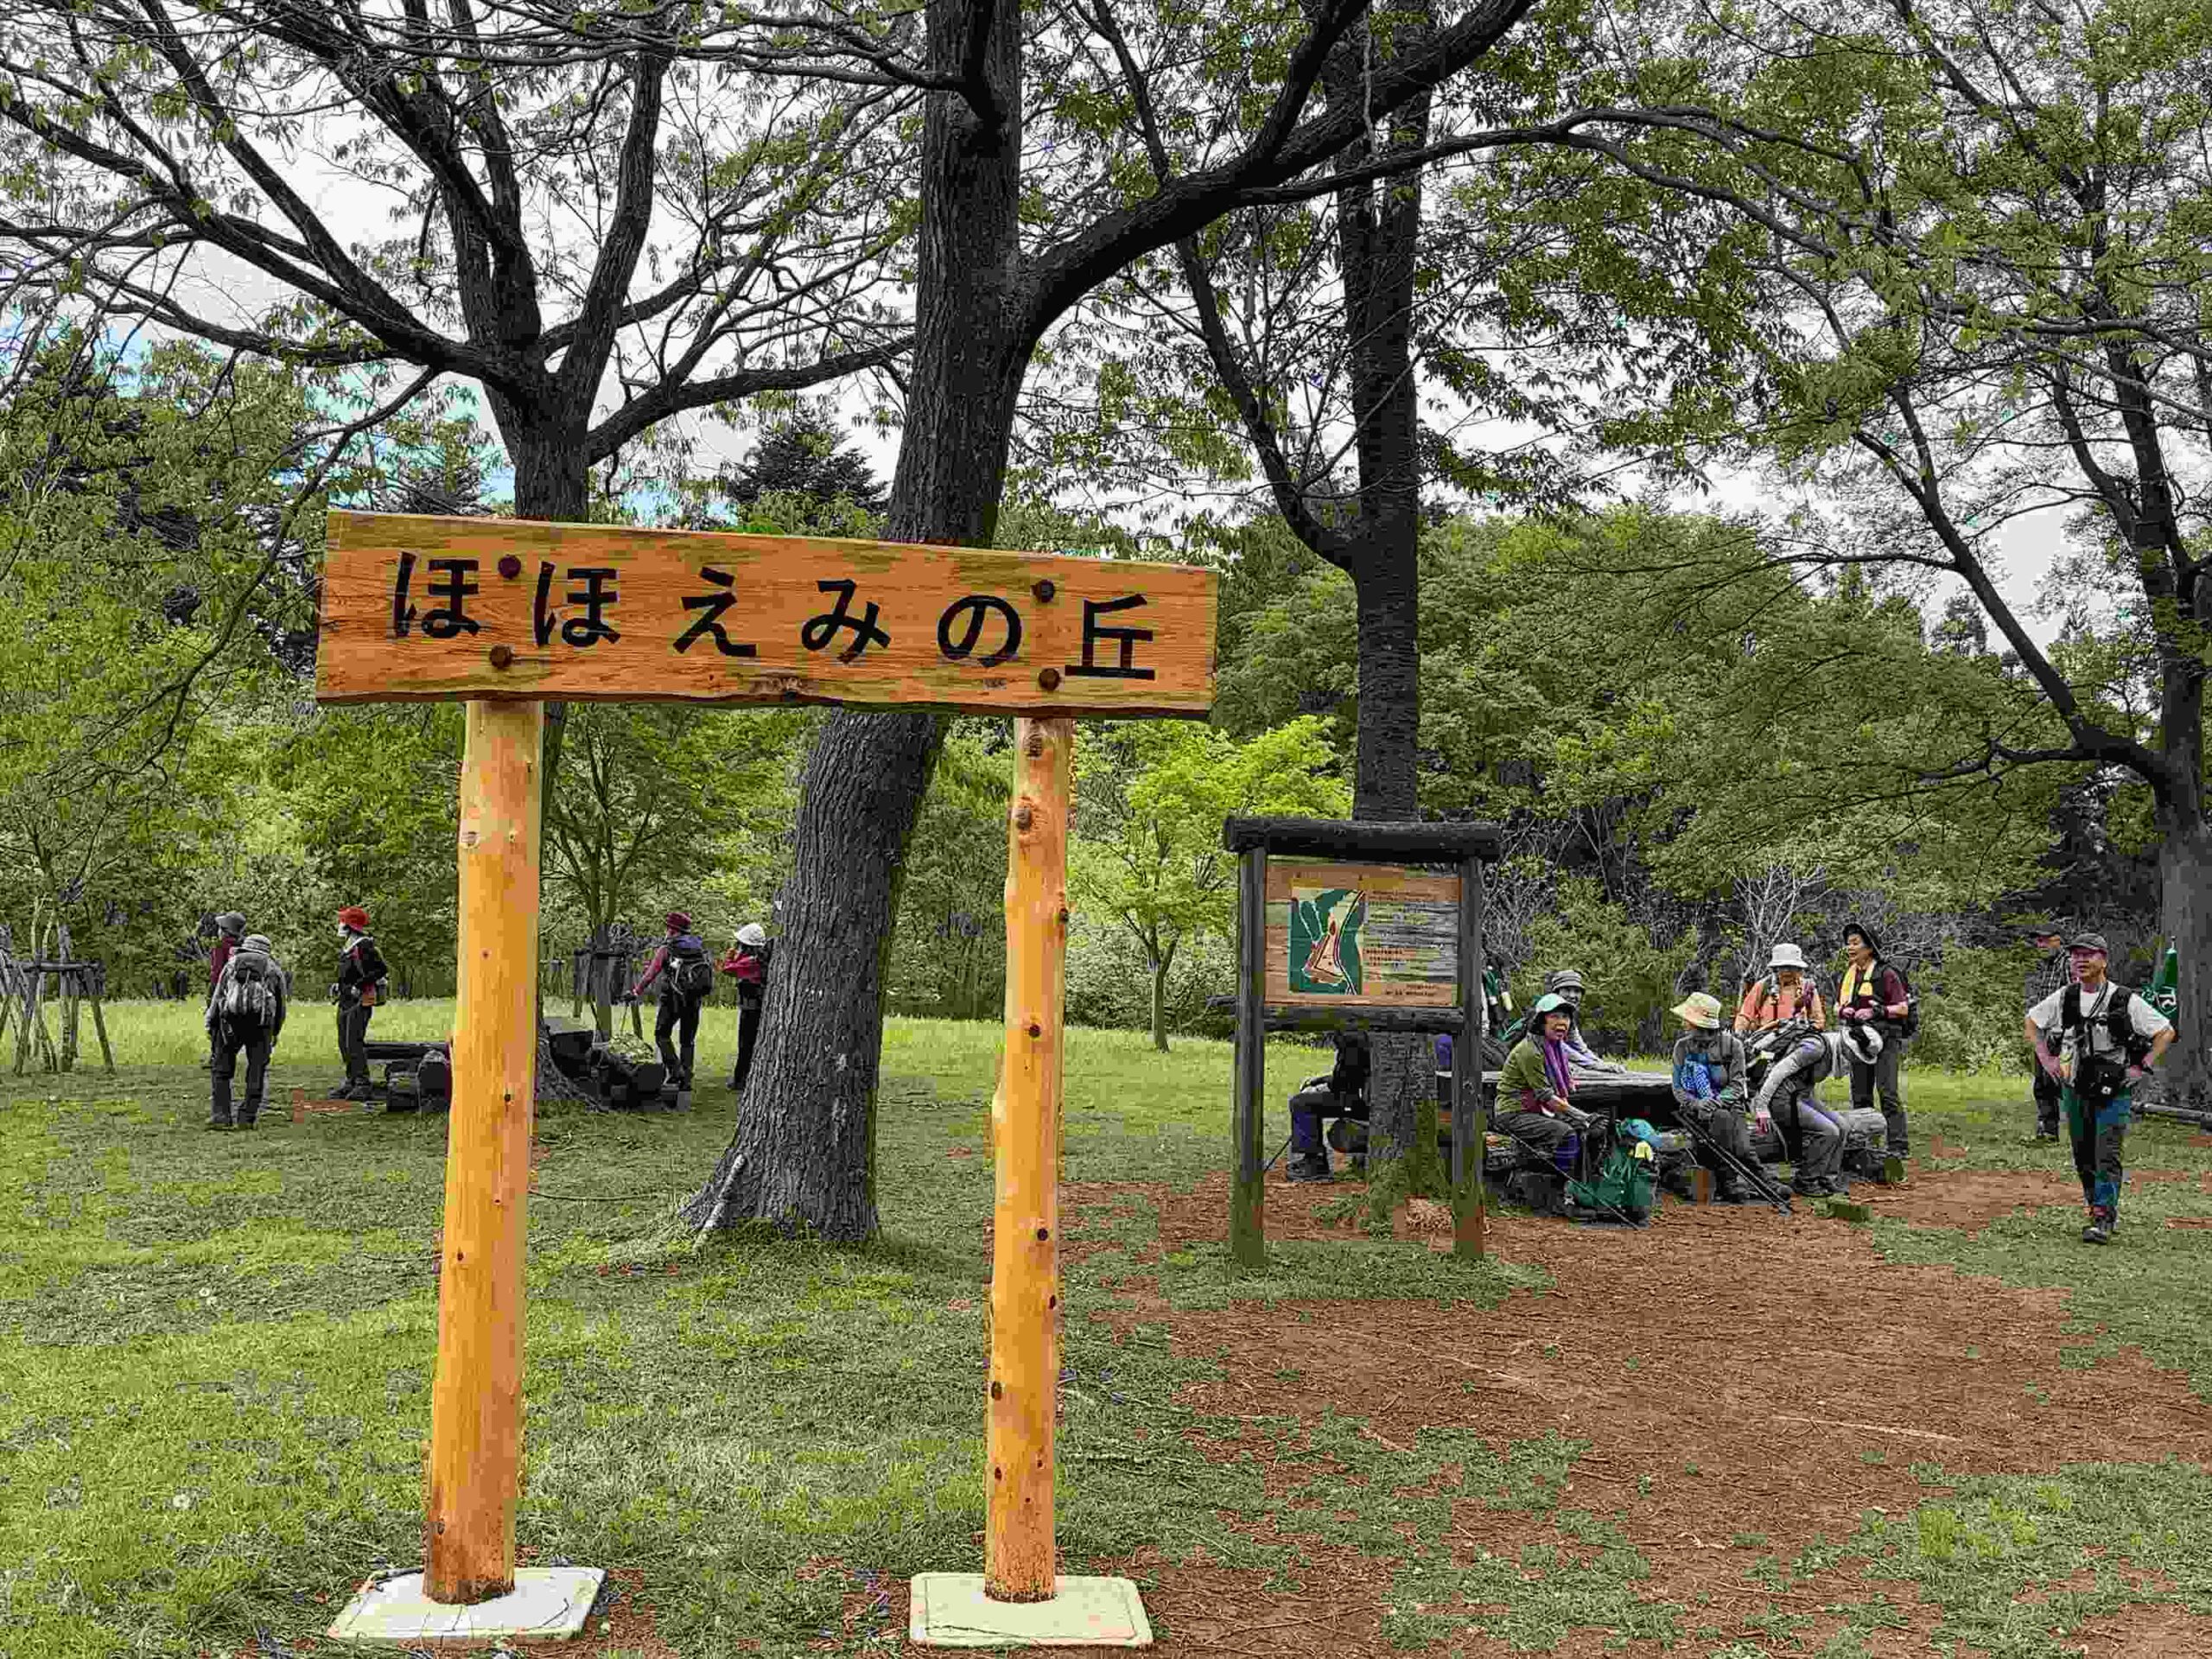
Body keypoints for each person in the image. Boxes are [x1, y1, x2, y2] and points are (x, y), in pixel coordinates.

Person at [2025, 931, 2175, 1244]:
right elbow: (2032, 1022)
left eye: (2088, 955)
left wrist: (2141, 1066)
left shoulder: (2123, 999)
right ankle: (2096, 1206)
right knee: (2083, 1154)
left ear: (2103, 960)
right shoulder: (2066, 996)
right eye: (2076, 955)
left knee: (2107, 1151)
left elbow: (2165, 1031)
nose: (2080, 960)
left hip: (2113, 1088)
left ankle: (2104, 1216)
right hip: (2075, 1085)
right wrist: (2047, 1059)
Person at [1746, 1024, 1879, 1197]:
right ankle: (1806, 1180)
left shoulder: (1834, 1048)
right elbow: (1778, 1071)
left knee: (1843, 1126)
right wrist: (1761, 1106)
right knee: (1828, 1131)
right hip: (1781, 1098)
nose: (1856, 1060)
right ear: (1849, 1047)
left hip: (1801, 1095)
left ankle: (1827, 1178)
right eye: (1857, 1055)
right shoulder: (1815, 1048)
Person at [1670, 991, 1758, 1202]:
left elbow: (1737, 1084)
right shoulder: (1682, 1047)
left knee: (1744, 1149)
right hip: (1695, 1109)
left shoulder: (1733, 1046)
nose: (1684, 1024)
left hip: (1729, 1104)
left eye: (1688, 1020)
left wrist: (1716, 1101)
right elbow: (1678, 1088)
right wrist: (1698, 1103)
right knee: (1722, 1120)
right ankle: (1729, 1181)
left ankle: (1765, 1181)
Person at [1494, 994, 1592, 1178]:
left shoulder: (1555, 1048)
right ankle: (1560, 1185)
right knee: (1566, 1133)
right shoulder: (1530, 1051)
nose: (1562, 1022)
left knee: (1586, 1129)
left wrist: (1585, 1120)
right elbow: (1546, 1095)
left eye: (1566, 1017)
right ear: (1541, 1022)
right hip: (1513, 1113)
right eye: (1554, 1016)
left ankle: (1582, 1182)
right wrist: (1584, 1116)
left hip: (1537, 1110)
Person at [1836, 920, 1911, 1158]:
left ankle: (1898, 1146)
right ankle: (1864, 1144)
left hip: (1886, 1038)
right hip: (1859, 1040)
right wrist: (1844, 1011)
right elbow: (1837, 1006)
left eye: (1855, 943)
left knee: (1887, 1091)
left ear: (1869, 947)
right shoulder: (1849, 976)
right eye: (1848, 943)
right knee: (1860, 1093)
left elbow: (1902, 1008)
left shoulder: (1887, 974)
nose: (1850, 948)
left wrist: (1875, 1011)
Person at [207, 932, 288, 1130]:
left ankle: (221, 1116)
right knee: (257, 1069)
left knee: (221, 1069)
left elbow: (218, 995)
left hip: (229, 1023)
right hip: (261, 1025)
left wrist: (210, 1022)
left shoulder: (232, 964)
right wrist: (275, 1031)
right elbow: (281, 1005)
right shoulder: (273, 969)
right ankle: (247, 1117)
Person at [630, 912, 714, 1091]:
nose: (666, 931)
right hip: (694, 999)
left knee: (661, 1034)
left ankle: (676, 1071)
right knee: (687, 1040)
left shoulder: (667, 949)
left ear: (672, 930)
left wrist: (636, 991)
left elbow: (650, 975)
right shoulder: (698, 948)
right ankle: (686, 1080)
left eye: (667, 928)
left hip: (672, 998)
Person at [1286, 1031, 1370, 1183]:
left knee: (1301, 1103)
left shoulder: (1351, 1037)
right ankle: (1314, 1160)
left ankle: (1314, 1163)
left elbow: (1346, 1081)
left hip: (1360, 1102)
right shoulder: (1355, 1034)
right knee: (1304, 1101)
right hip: (1359, 1097)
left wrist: (1324, 1086)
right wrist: (1320, 1081)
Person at [2024, 924, 2075, 1143]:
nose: (2040, 945)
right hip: (2044, 1032)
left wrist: (2063, 1029)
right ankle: (2047, 1130)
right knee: (2042, 1083)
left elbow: (2076, 997)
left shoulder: (2068, 963)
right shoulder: (2048, 966)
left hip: (2061, 1034)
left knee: (2061, 1083)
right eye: (2038, 941)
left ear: (2058, 940)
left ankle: (2085, 1131)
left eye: (2045, 940)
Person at [332, 906, 388, 1100]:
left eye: (342, 921)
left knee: (354, 1043)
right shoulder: (349, 945)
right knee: (344, 1043)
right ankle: (351, 1082)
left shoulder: (364, 945)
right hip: (345, 1000)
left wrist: (359, 985)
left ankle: (363, 1084)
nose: (339, 924)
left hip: (360, 1002)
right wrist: (338, 985)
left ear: (349, 925)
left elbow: (381, 969)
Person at [720, 922, 773, 1091]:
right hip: (757, 1007)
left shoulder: (750, 962)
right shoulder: (758, 960)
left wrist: (730, 954)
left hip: (750, 1009)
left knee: (745, 1045)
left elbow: (727, 969)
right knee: (750, 1044)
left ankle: (740, 1080)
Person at [1542, 969, 1626, 1072]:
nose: (1572, 996)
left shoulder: (1569, 1016)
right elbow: (1559, 1047)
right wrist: (1596, 1066)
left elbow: (1580, 1048)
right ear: (1557, 993)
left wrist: (1602, 1064)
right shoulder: (1546, 1012)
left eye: (1577, 991)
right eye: (1567, 990)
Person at [1734, 943, 1827, 1034]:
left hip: (1799, 1036)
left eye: (1790, 967)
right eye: (1783, 967)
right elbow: (1745, 1014)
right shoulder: (1763, 986)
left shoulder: (1807, 988)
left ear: (1798, 969)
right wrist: (1739, 1032)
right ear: (1776, 969)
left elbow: (1818, 1020)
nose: (1787, 971)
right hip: (1765, 1037)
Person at [203, 912, 245, 1069]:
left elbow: (216, 973)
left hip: (221, 989)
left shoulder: (220, 946)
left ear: (225, 930)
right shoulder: (244, 945)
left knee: (215, 1023)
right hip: (240, 991)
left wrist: (211, 996)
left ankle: (216, 1056)